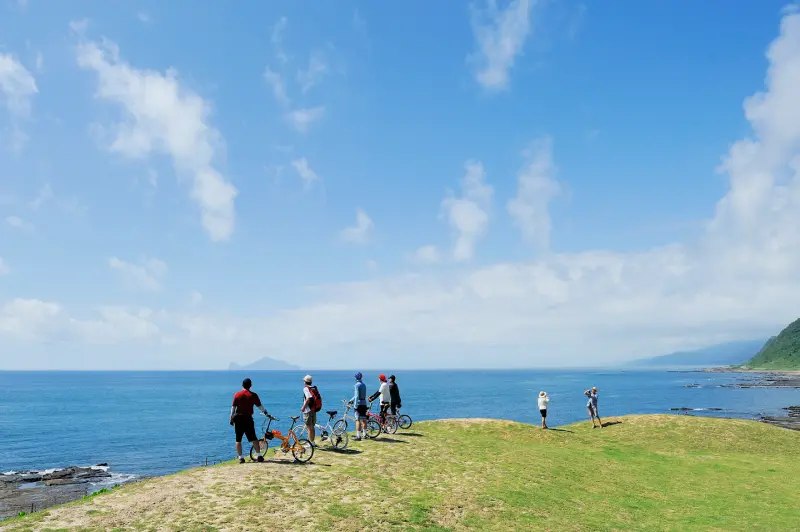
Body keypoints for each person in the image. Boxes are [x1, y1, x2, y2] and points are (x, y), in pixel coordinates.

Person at [230, 378, 269, 463]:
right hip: (248, 419)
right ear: (250, 385)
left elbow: (233, 407)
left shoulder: (237, 394)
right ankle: (259, 456)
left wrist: (231, 418)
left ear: (242, 385)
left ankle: (241, 457)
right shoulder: (253, 395)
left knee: (238, 439)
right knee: (254, 438)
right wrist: (265, 412)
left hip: (238, 419)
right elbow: (260, 406)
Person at [351, 372, 368, 440]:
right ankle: (364, 435)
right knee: (364, 419)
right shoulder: (364, 385)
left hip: (359, 404)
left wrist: (355, 406)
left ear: (356, 378)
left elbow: (357, 396)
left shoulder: (356, 385)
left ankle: (358, 436)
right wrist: (351, 400)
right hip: (364, 403)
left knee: (357, 419)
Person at [301, 375, 317, 447]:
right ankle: (313, 442)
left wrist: (303, 407)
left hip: (308, 410)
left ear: (305, 382)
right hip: (314, 409)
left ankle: (310, 444)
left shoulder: (306, 389)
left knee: (309, 427)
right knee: (312, 427)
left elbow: (308, 399)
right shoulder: (313, 388)